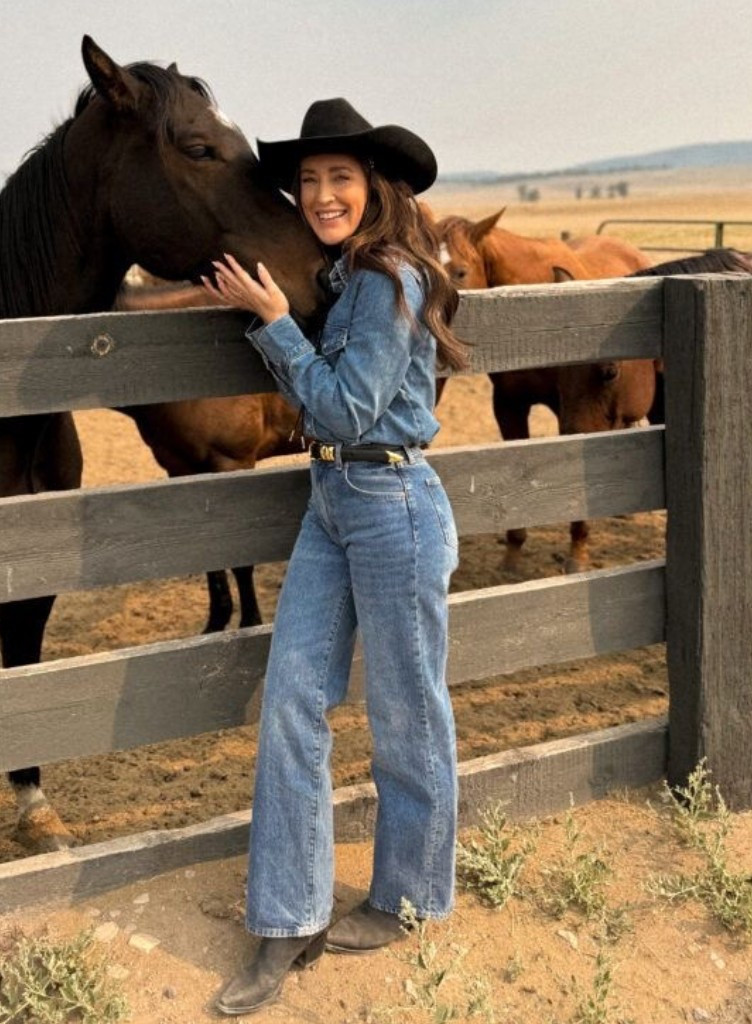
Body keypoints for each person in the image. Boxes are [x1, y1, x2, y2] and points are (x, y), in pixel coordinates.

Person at [202, 97, 468, 1017]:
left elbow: (347, 409)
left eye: (338, 179)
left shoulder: (391, 278)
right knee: (291, 702)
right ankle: (288, 915)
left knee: (406, 710)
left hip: (391, 501)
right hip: (333, 503)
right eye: (309, 180)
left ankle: (409, 896)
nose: (320, 195)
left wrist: (274, 321)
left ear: (374, 188)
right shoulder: (350, 277)